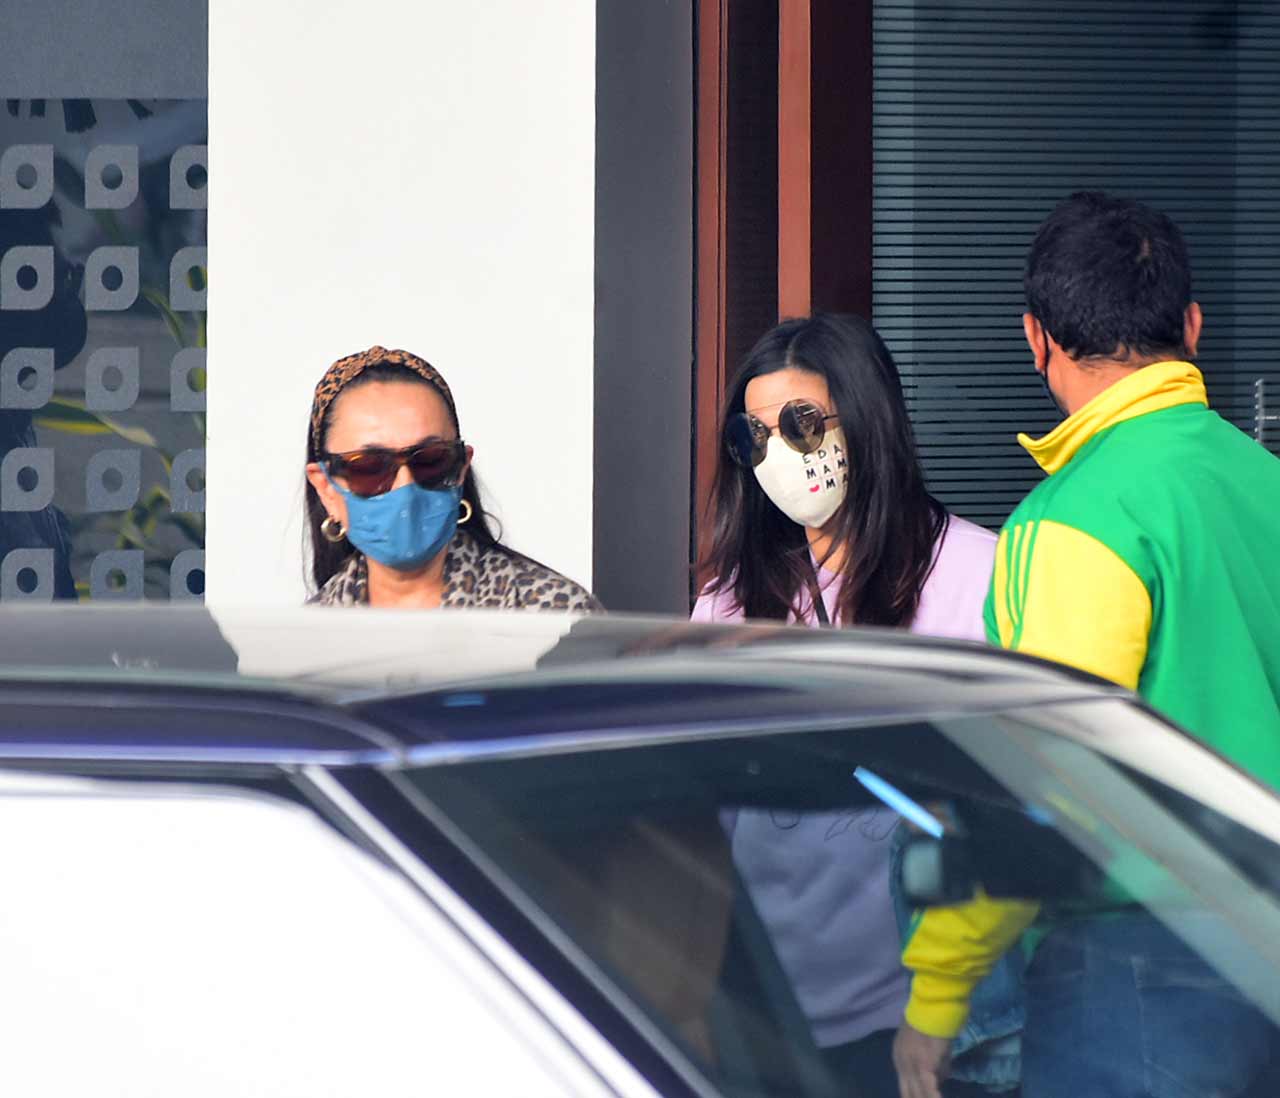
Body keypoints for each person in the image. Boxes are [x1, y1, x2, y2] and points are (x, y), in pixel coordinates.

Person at [893, 192, 1280, 1098]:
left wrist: (939, 995)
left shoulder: (1073, 521)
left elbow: (1043, 781)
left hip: (1146, 969)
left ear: (1037, 339)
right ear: (1192, 325)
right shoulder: (1266, 482)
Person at [693, 314, 1014, 1098]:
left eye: (803, 424)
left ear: (867, 422)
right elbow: (702, 816)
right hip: (769, 1016)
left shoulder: (981, 576)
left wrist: (941, 1012)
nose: (779, 454)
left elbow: (1013, 806)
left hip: (930, 1025)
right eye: (755, 436)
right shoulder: (729, 603)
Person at [304, 345, 600, 611]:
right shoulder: (306, 640)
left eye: (430, 460)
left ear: (460, 469)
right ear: (325, 487)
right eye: (369, 467)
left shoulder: (552, 615)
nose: (405, 486)